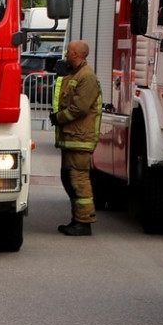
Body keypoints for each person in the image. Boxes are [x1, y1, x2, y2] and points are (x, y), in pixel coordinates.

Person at [50, 39, 102, 236]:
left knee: (78, 178)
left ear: (77, 54)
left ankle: (84, 221)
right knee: (69, 177)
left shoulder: (87, 77)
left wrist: (59, 118)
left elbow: (79, 108)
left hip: (80, 137)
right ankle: (77, 219)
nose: (66, 54)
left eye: (69, 51)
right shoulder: (76, 74)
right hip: (71, 137)